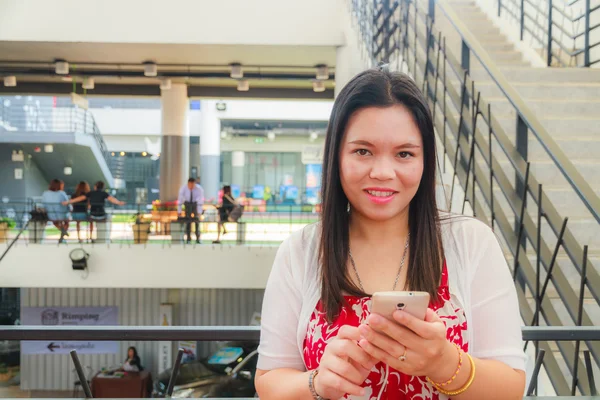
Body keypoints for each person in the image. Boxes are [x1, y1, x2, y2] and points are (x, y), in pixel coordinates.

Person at [255, 68, 526, 400]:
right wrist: (316, 382)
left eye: (404, 154)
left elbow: (510, 387)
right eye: (363, 151)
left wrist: (443, 362)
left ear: (424, 161)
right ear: (337, 156)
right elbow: (269, 380)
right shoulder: (301, 251)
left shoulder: (471, 243)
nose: (383, 172)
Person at [41, 179, 70, 243]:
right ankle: (63, 233)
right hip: (62, 213)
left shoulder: (45, 194)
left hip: (51, 215)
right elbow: (67, 203)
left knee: (56, 222)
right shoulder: (62, 193)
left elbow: (43, 204)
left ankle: (62, 231)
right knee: (67, 222)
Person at [177, 178, 204, 244]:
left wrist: (199, 212)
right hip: (187, 204)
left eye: (193, 185)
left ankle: (198, 238)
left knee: (197, 221)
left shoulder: (199, 189)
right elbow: (180, 200)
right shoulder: (183, 189)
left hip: (195, 204)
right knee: (188, 221)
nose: (191, 186)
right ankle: (188, 238)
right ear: (188, 184)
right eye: (190, 185)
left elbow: (200, 201)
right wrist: (179, 211)